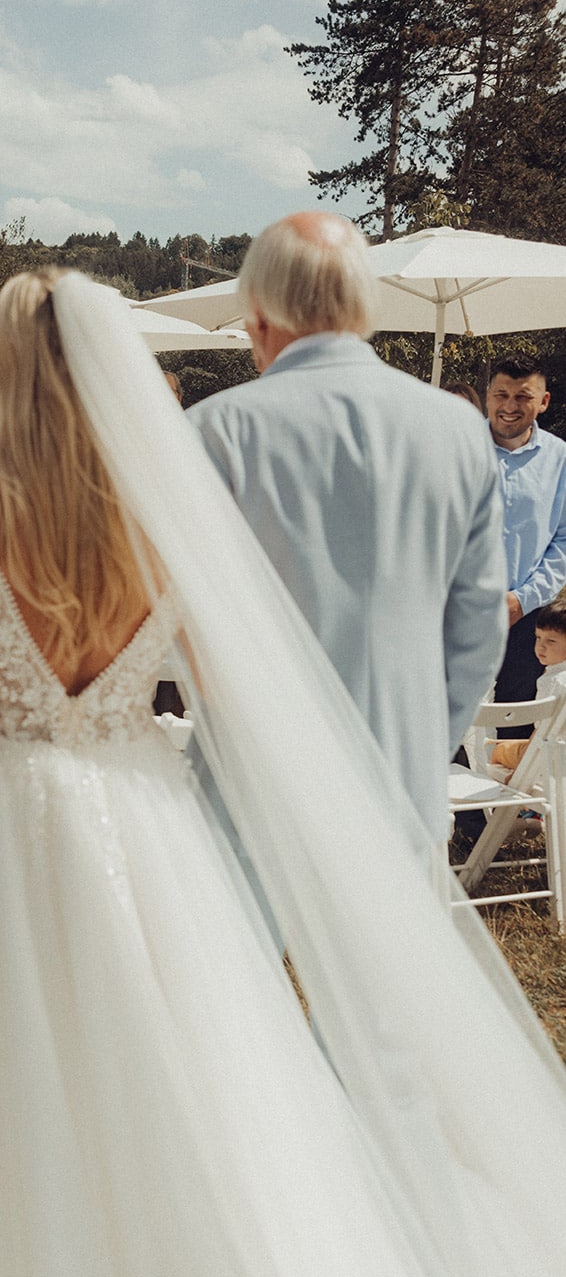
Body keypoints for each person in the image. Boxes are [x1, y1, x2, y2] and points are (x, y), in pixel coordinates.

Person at [0, 267, 566, 1277]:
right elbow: (217, 688)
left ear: (2, 374)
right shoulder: (175, 513)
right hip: (148, 814)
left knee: (21, 1093)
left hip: (10, 829)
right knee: (192, 1098)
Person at [189, 211, 507, 845]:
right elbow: (480, 624)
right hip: (402, 773)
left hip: (249, 773)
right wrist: (420, 745)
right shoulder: (458, 428)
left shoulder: (214, 430)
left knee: (240, 947)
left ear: (259, 308)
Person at [485, 358, 566, 711]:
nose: (509, 406)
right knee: (437, 712)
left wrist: (522, 600)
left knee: (514, 715)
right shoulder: (454, 446)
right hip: (453, 605)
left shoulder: (561, 458)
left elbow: (563, 539)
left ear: (544, 401)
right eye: (501, 394)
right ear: (488, 396)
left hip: (527, 613)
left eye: (522, 396)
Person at [489, 601, 566, 778]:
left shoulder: (553, 681)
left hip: (551, 759)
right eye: (538, 638)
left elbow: (541, 734)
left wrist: (519, 775)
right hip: (557, 753)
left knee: (499, 751)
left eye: (551, 641)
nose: (541, 646)